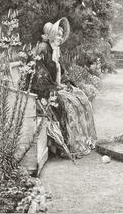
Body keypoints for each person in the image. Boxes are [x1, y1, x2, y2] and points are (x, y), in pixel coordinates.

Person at [30, 17, 97, 159]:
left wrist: (67, 84)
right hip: (42, 91)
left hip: (54, 87)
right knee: (68, 103)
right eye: (58, 35)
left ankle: (85, 140)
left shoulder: (55, 50)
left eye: (61, 35)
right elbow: (39, 78)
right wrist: (57, 88)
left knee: (80, 97)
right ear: (51, 36)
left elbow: (62, 74)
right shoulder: (43, 49)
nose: (60, 38)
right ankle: (69, 144)